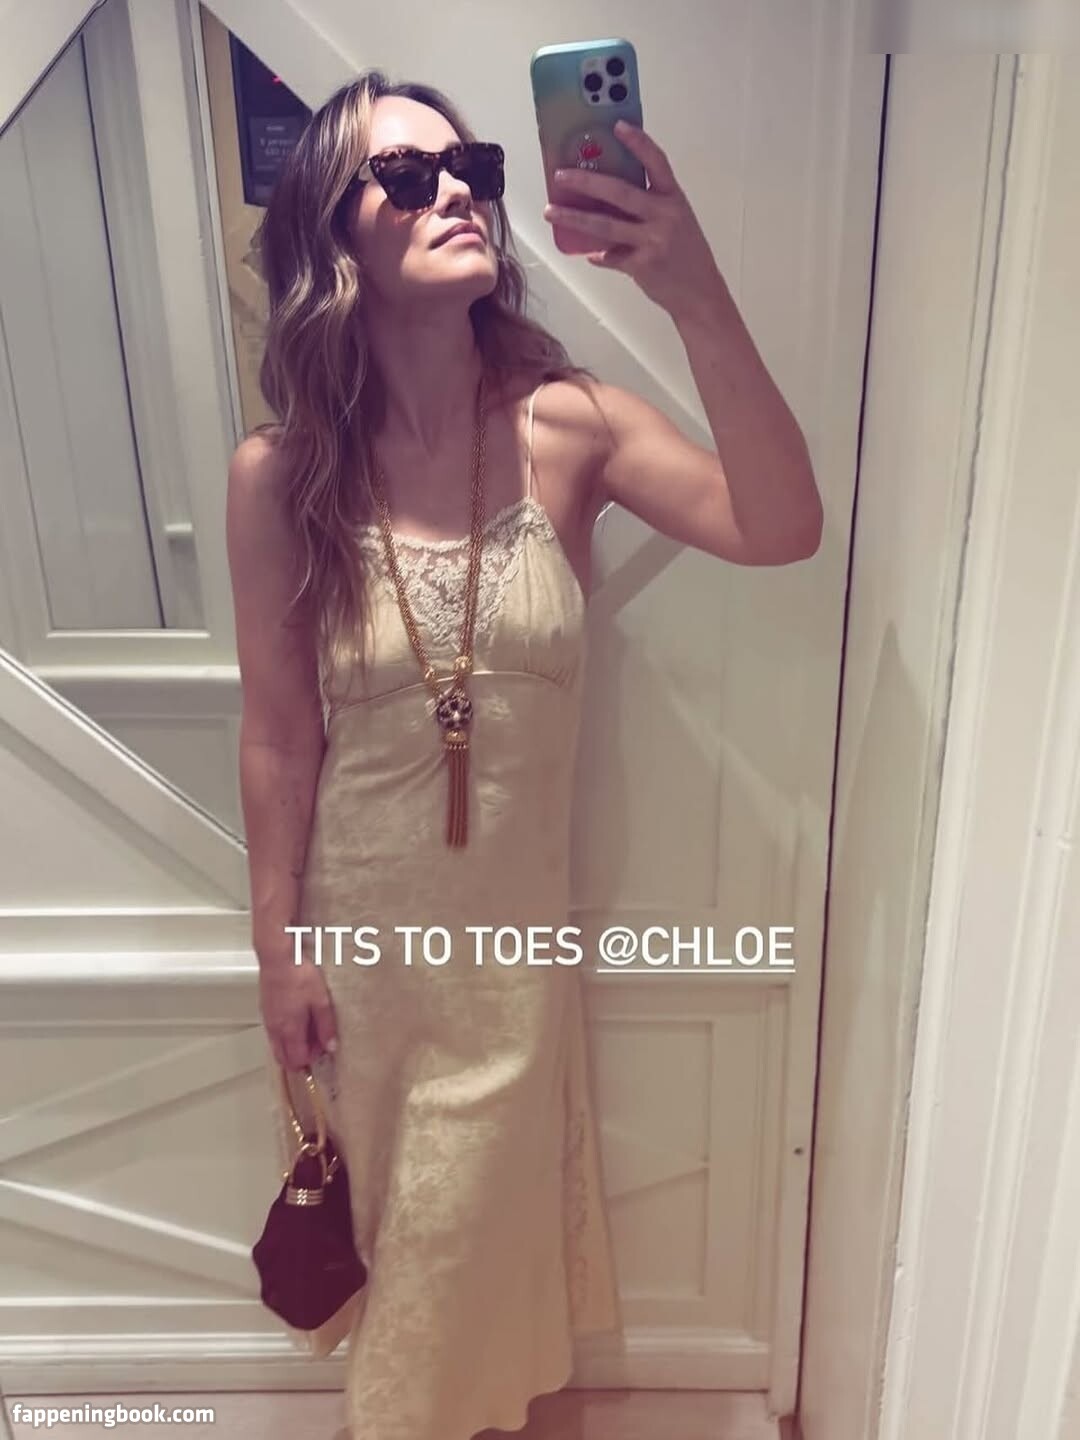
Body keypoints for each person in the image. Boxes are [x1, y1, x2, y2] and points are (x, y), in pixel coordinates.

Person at [226, 67, 822, 1440]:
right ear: (331, 232)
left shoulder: (571, 426)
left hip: (508, 971)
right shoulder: (284, 474)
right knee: (404, 1291)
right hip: (361, 976)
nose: (456, 191)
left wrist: (694, 291)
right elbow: (278, 734)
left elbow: (782, 525)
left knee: (469, 1295)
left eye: (473, 167)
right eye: (406, 174)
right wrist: (276, 949)